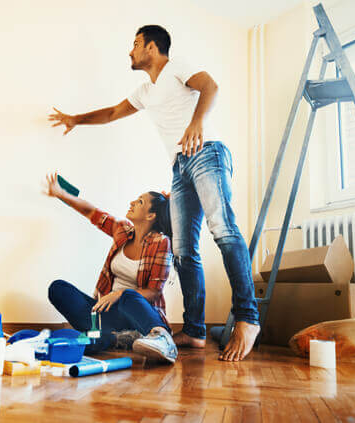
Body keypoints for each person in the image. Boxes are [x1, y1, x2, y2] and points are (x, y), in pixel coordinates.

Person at [48, 25, 260, 362]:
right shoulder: (146, 91)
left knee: (222, 230)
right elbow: (113, 113)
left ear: (151, 46)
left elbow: (210, 86)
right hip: (180, 165)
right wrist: (76, 119)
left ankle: (248, 319)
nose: (130, 51)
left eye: (134, 44)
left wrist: (197, 123)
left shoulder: (177, 67)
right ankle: (194, 330)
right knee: (185, 250)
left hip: (207, 152)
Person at [45, 173, 177, 363]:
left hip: (136, 314)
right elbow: (92, 212)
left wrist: (119, 294)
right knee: (58, 289)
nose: (132, 202)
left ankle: (162, 339)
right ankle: (115, 338)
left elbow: (154, 292)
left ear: (151, 215)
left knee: (129, 295)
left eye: (139, 202)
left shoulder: (162, 242)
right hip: (106, 313)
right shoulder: (122, 230)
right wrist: (61, 193)